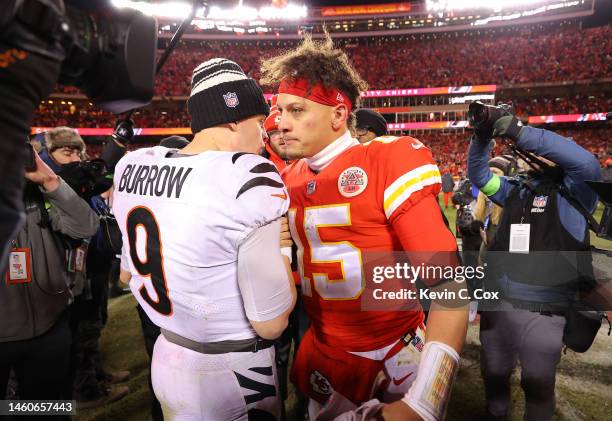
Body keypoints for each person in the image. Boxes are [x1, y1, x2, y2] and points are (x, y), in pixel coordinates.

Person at [260, 35, 468, 420]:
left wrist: (427, 400)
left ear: (338, 115)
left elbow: (450, 288)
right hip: (324, 350)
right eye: (279, 110)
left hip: (394, 354)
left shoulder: (389, 159)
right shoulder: (288, 179)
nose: (281, 122)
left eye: (296, 109)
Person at [112, 58, 297, 420]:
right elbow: (271, 322)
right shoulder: (245, 176)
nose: (264, 136)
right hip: (233, 367)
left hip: (167, 356)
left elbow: (131, 269)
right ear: (232, 117)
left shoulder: (134, 166)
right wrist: (284, 250)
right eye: (259, 123)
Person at [468, 114, 601, 420]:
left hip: (544, 311)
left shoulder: (575, 194)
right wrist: (481, 136)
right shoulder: (516, 189)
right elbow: (478, 175)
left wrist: (520, 131)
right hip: (499, 304)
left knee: (537, 384)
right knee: (493, 373)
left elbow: (587, 163)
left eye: (547, 151)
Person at [0, 146, 99, 404]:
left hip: (50, 328)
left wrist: (50, 180)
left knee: (49, 409)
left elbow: (87, 226)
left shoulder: (37, 192)